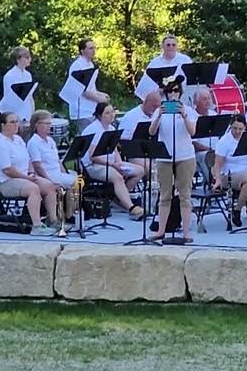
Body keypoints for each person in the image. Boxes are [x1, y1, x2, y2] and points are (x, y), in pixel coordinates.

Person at [0, 112, 59, 235]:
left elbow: (28, 160)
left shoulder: (18, 139)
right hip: (4, 182)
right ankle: (36, 227)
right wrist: (27, 178)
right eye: (12, 122)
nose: (17, 125)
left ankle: (53, 221)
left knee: (49, 186)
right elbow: (8, 170)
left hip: (23, 177)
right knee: (33, 188)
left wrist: (31, 173)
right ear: (3, 125)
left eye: (17, 121)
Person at [149, 76, 198, 242]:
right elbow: (151, 132)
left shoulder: (189, 110)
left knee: (185, 195)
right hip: (165, 157)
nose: (173, 94)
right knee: (165, 195)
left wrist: (184, 115)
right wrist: (158, 116)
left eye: (176, 90)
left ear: (180, 92)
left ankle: (185, 233)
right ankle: (161, 230)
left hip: (185, 156)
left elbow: (192, 132)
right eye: (170, 91)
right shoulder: (160, 110)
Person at [80, 102, 145, 218]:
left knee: (139, 170)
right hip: (93, 165)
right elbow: (93, 156)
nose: (111, 115)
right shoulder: (93, 129)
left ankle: (118, 197)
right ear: (100, 115)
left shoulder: (111, 128)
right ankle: (131, 207)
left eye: (112, 112)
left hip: (111, 163)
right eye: (107, 113)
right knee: (117, 177)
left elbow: (114, 150)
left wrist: (119, 163)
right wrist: (113, 165)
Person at [27, 110, 77, 220]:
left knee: (76, 181)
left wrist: (65, 174)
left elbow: (58, 161)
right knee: (74, 183)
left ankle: (69, 214)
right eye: (46, 123)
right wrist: (49, 181)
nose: (49, 126)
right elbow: (37, 166)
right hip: (47, 174)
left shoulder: (50, 141)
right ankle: (64, 215)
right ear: (37, 125)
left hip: (56, 173)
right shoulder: (33, 143)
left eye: (50, 123)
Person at [61, 39, 109, 134]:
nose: (93, 51)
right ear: (82, 51)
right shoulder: (77, 66)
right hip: (82, 111)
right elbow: (83, 91)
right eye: (90, 48)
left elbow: (91, 87)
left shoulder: (90, 64)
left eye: (94, 48)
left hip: (91, 109)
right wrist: (100, 99)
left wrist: (102, 94)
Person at [135, 34, 192, 100]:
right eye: (168, 45)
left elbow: (191, 80)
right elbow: (145, 86)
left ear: (177, 46)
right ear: (162, 46)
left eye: (173, 45)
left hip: (183, 99)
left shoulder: (185, 60)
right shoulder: (155, 63)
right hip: (161, 101)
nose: (171, 47)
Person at [0, 46, 35, 129]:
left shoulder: (28, 75)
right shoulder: (10, 76)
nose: (29, 59)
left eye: (29, 57)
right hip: (14, 113)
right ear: (18, 59)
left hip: (26, 113)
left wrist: (32, 113)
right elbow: (11, 98)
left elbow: (30, 97)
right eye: (26, 57)